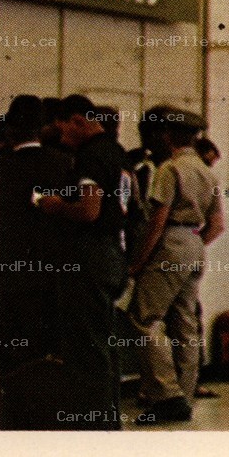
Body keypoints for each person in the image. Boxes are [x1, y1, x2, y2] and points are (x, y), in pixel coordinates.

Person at [128, 109, 224, 425]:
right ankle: (184, 392)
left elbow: (157, 222)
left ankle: (165, 394)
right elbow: (218, 225)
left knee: (144, 316)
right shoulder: (207, 171)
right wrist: (191, 246)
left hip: (169, 242)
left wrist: (138, 262)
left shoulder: (170, 169)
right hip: (195, 243)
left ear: (167, 135)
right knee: (185, 321)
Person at [46, 95, 130, 427]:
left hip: (91, 257)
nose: (60, 134)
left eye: (62, 127)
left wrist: (55, 206)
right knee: (105, 343)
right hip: (113, 253)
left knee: (87, 346)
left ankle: (93, 422)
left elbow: (89, 210)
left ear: (79, 120)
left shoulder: (91, 157)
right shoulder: (117, 153)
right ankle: (109, 416)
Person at [0, 96, 65, 425]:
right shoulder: (63, 164)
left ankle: (8, 413)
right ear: (45, 127)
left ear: (8, 127)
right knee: (40, 345)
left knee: (5, 344)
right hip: (49, 271)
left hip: (5, 269)